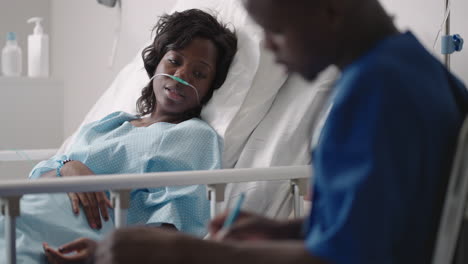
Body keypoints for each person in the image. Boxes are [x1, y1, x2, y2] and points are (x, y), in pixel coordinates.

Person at [92, 0, 468, 264]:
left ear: (331, 8)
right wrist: (284, 231)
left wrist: (190, 253)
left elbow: (350, 257)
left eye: (276, 30)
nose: (269, 47)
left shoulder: (375, 92)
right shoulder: (419, 69)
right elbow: (383, 223)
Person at [0, 9, 237, 264]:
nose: (181, 76)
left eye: (199, 74)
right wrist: (70, 167)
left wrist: (102, 255)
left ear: (209, 88)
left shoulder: (195, 136)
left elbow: (174, 228)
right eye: (175, 61)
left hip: (65, 240)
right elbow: (40, 177)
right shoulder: (111, 123)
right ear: (156, 62)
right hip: (22, 212)